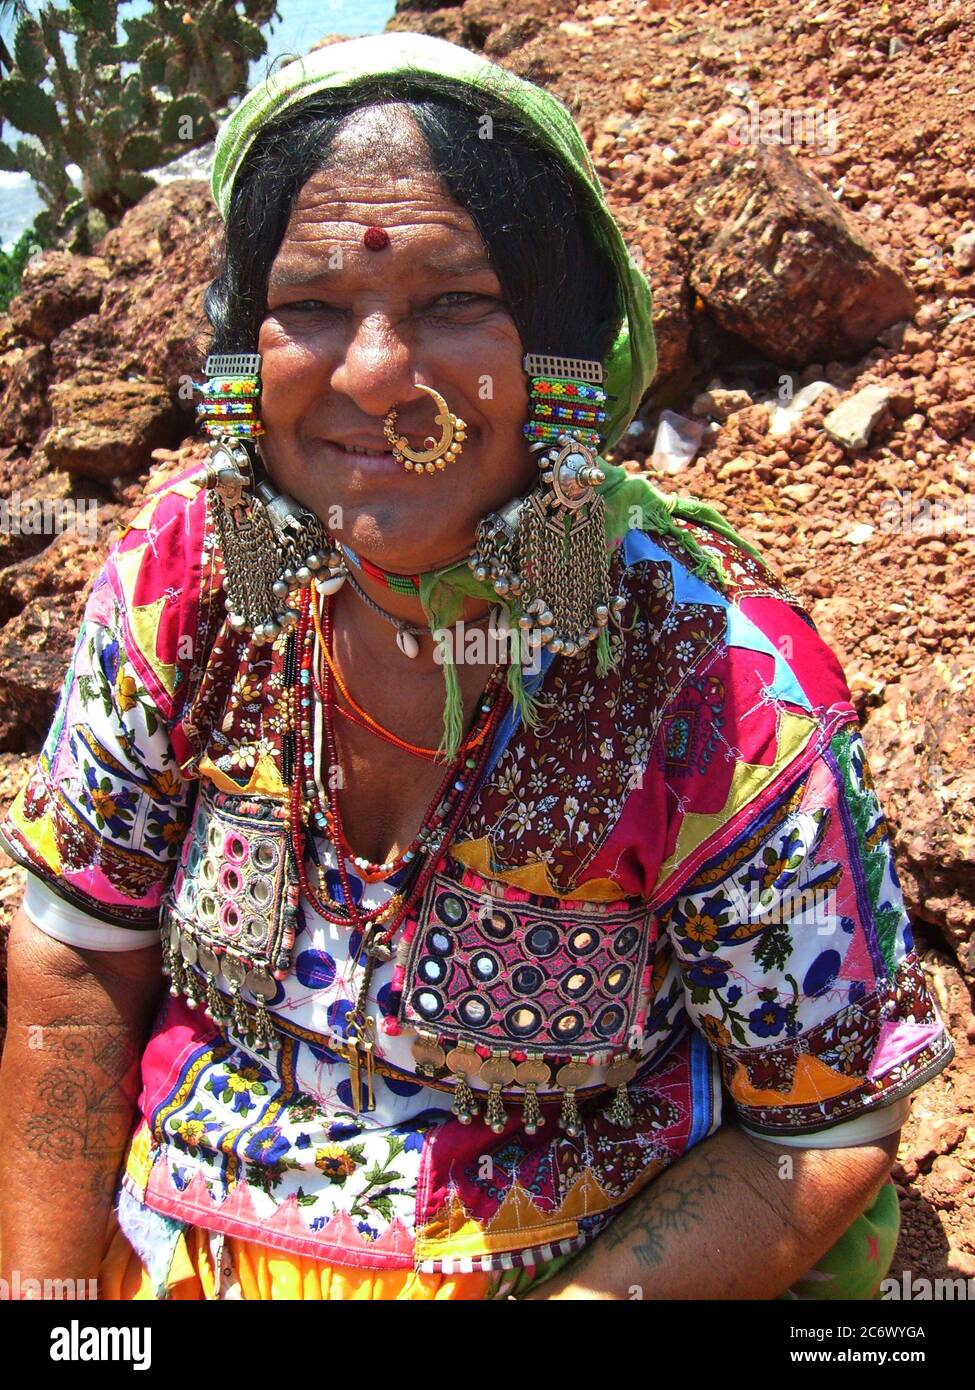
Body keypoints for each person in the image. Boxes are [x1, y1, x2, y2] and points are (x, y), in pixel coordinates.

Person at [0, 32, 953, 1302]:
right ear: (241, 349)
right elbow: (74, 967)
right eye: (312, 305)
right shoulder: (181, 584)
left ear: (559, 345)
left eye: (457, 301)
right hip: (177, 1238)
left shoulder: (719, 688)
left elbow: (816, 1132)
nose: (377, 375)